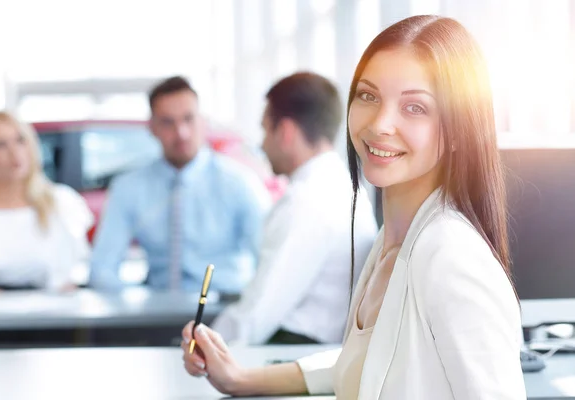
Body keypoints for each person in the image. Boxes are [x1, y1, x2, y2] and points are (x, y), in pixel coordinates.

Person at [181, 15, 526, 399]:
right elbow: (368, 361)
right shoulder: (393, 242)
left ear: (459, 128)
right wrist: (241, 379)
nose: (380, 124)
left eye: (414, 108)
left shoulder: (452, 258)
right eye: (368, 96)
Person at [211, 72, 378, 345]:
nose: (263, 144)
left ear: (286, 132)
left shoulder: (308, 201)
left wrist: (202, 345)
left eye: (265, 130)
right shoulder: (343, 185)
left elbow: (257, 314)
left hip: (295, 348)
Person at [90, 76, 271, 293]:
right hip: (157, 311)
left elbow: (268, 261)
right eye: (168, 122)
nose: (181, 133)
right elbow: (102, 270)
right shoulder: (129, 187)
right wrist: (134, 303)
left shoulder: (239, 183)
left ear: (203, 121)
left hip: (222, 311)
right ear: (152, 127)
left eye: (188, 119)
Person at [0, 111, 93, 292]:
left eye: (20, 140)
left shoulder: (62, 202)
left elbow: (78, 269)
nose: (14, 153)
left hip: (52, 312)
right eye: (0, 145)